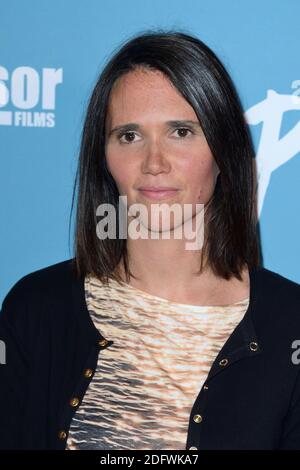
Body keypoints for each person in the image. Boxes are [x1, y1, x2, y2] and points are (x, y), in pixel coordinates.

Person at [0, 29, 300, 451]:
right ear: (102, 157)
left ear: (224, 151)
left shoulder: (290, 325)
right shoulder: (35, 308)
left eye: (181, 132)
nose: (154, 163)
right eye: (129, 135)